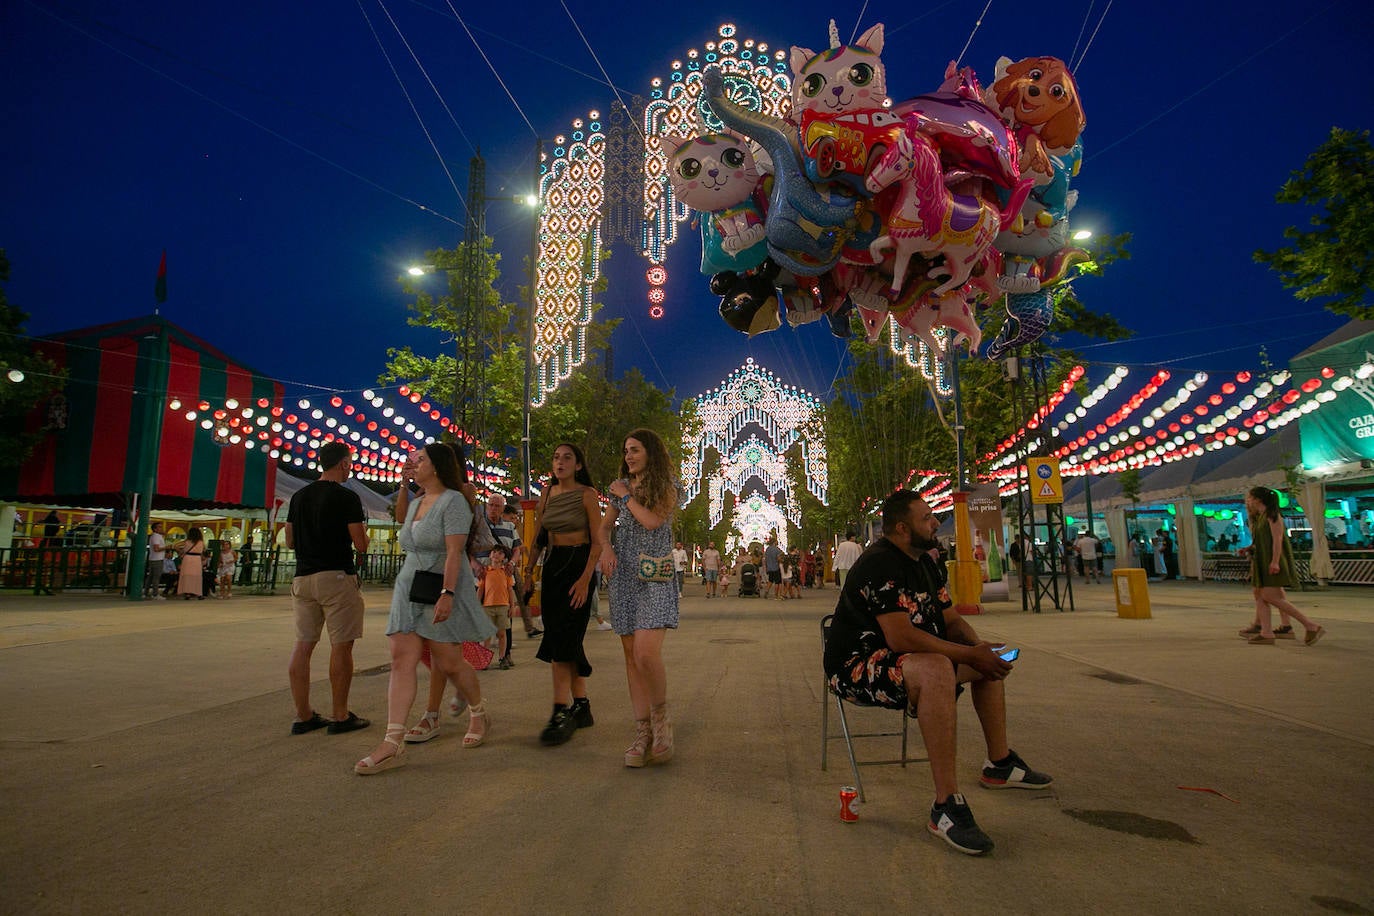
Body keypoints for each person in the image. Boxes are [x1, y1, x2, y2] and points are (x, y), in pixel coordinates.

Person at [823, 490, 1052, 856]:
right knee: (936, 669)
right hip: (857, 665)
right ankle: (946, 805)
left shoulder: (926, 563)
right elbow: (900, 637)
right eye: (927, 518)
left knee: (978, 663)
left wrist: (980, 651)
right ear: (901, 528)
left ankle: (999, 763)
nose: (935, 522)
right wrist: (969, 655)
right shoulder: (879, 563)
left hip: (909, 659)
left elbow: (950, 620)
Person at [356, 442, 495, 774]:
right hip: (409, 585)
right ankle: (392, 741)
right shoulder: (417, 501)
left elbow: (453, 552)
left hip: (440, 585)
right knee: (401, 659)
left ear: (436, 466)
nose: (413, 463)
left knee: (448, 662)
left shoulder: (455, 501)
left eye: (420, 460)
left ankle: (478, 712)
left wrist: (447, 594)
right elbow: (402, 520)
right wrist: (404, 485)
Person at [599, 428, 680, 767]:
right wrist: (605, 549)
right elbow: (604, 527)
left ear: (650, 452)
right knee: (632, 657)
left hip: (656, 575)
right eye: (625, 450)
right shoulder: (620, 490)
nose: (628, 456)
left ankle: (661, 723)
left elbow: (651, 521)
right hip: (624, 578)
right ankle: (642, 731)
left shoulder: (668, 487)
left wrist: (626, 495)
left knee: (647, 653)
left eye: (634, 449)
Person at [285, 441, 371, 737]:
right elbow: (360, 544)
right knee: (341, 644)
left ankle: (303, 715)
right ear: (344, 463)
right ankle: (339, 714)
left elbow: (289, 541)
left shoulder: (298, 496)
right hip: (335, 576)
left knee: (303, 644)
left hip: (302, 578)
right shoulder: (347, 497)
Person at [527, 442, 606, 746]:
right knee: (563, 636)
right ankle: (582, 706)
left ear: (578, 465)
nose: (560, 462)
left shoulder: (587, 495)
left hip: (579, 564)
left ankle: (560, 711)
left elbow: (597, 541)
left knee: (563, 638)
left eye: (567, 458)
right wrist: (529, 572)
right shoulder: (546, 493)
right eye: (556, 457)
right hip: (553, 565)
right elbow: (539, 537)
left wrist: (586, 579)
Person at [1239, 486, 1325, 647]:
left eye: (1250, 498)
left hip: (1271, 561)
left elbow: (1278, 540)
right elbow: (1262, 541)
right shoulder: (1260, 518)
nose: (1248, 501)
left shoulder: (1273, 516)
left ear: (1258, 499)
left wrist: (1275, 561)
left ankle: (1310, 625)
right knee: (1260, 595)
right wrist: (1250, 548)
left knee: (1271, 597)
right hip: (1262, 560)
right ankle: (1266, 632)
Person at [501, 504, 541, 642]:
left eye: (515, 518)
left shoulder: (512, 529)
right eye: (511, 518)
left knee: (522, 596)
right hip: (499, 570)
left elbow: (520, 547)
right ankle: (502, 636)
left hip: (512, 569)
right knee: (504, 602)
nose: (515, 520)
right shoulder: (498, 527)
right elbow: (520, 547)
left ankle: (529, 628)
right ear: (503, 515)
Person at [478, 546, 514, 668]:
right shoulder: (485, 572)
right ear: (490, 555)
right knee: (487, 635)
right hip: (487, 606)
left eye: (500, 553)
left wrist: (512, 606)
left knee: (502, 633)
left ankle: (502, 658)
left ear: (504, 557)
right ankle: (484, 659)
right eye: (494, 552)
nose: (496, 555)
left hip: (503, 606)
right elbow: (481, 589)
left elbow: (510, 590)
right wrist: (477, 605)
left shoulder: (506, 572)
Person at [175, 527, 206, 600]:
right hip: (197, 559)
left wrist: (181, 551)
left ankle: (187, 594)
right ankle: (198, 593)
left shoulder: (187, 541)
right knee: (197, 576)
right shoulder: (201, 542)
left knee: (187, 576)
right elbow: (203, 551)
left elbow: (176, 545)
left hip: (187, 558)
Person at [145, 522, 167, 600]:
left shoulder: (156, 536)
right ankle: (155, 594)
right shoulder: (156, 537)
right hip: (157, 559)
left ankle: (146, 592)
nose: (161, 529)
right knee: (156, 577)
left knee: (151, 576)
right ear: (155, 529)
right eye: (159, 527)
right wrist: (166, 547)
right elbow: (156, 549)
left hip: (154, 558)